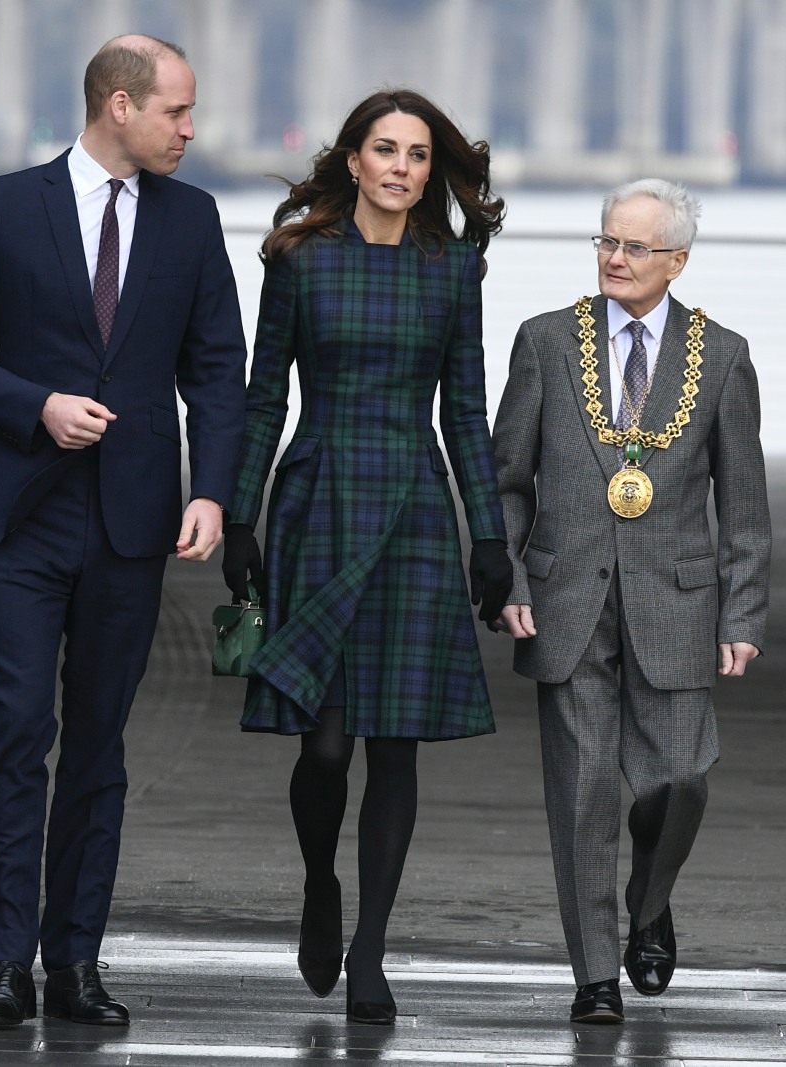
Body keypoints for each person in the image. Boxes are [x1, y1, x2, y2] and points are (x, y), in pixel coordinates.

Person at [0, 35, 247, 1027]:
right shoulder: (6, 206)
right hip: (21, 515)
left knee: (99, 746)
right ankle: (4, 962)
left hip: (133, 521)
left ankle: (75, 963)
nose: (190, 130)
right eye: (175, 112)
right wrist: (35, 404)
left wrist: (213, 492)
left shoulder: (191, 220)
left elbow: (217, 369)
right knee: (19, 728)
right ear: (117, 105)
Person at [221, 89, 512, 1024]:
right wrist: (240, 516)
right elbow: (264, 397)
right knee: (326, 742)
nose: (402, 168)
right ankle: (319, 882)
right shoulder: (301, 259)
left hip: (418, 509)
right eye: (384, 149)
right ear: (351, 160)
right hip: (317, 499)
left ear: (434, 170)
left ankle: (373, 950)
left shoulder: (453, 266)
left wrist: (491, 537)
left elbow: (465, 409)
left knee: (394, 743)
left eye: (419, 155)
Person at [492, 179, 771, 1024]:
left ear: (676, 260)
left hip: (679, 601)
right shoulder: (544, 341)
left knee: (680, 777)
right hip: (566, 597)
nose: (614, 257)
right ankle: (595, 975)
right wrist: (508, 578)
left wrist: (744, 613)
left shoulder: (721, 355)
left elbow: (745, 501)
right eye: (606, 241)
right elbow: (505, 480)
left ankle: (650, 900)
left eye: (634, 247)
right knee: (581, 793)